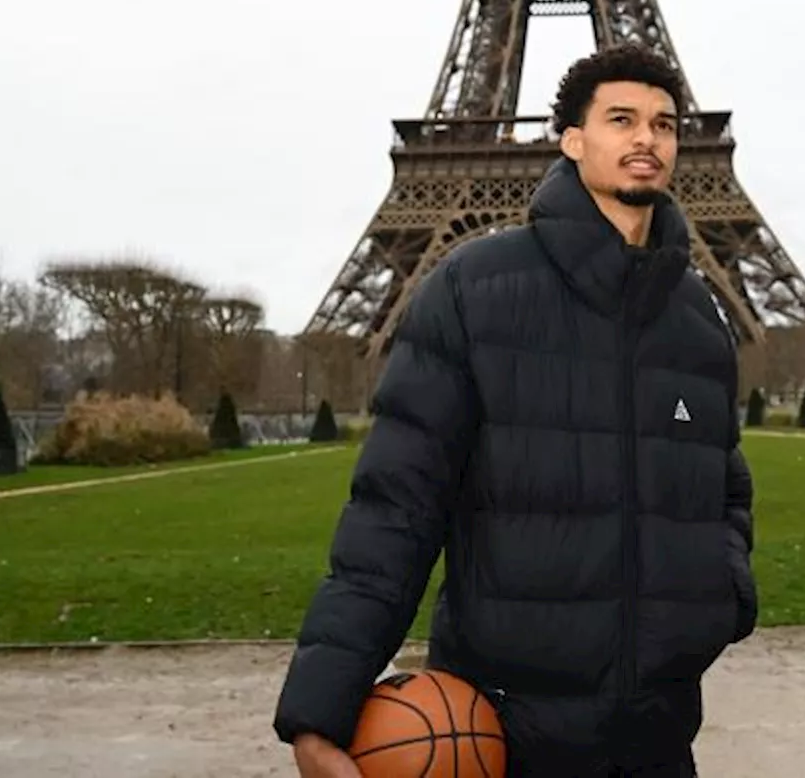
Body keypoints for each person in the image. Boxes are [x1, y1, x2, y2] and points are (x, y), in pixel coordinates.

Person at [273, 43, 758, 777]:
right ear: (572, 139)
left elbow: (723, 486)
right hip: (508, 731)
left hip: (659, 730)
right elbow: (394, 510)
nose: (645, 139)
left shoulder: (696, 318)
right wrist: (321, 708)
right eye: (621, 119)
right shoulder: (473, 289)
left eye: (663, 124)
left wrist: (722, 593)